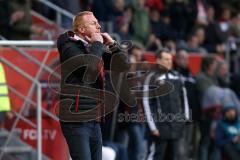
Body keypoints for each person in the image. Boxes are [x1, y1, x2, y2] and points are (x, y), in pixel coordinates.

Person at [57, 11, 128, 160]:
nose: (99, 26)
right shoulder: (68, 45)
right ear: (81, 30)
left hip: (94, 119)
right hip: (75, 119)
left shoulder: (95, 48)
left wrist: (113, 45)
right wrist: (97, 44)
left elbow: (123, 66)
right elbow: (89, 69)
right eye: (94, 23)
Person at [143, 49, 189, 160]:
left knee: (173, 156)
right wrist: (153, 127)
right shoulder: (151, 78)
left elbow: (184, 98)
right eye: (166, 59)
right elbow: (146, 103)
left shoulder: (177, 77)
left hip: (176, 125)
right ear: (158, 60)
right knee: (156, 155)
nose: (169, 62)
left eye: (170, 59)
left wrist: (185, 117)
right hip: (160, 126)